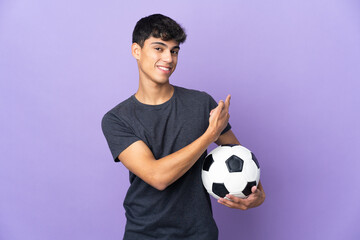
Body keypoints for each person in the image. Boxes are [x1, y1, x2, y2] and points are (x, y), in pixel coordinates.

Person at [101, 13, 265, 240]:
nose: (168, 58)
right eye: (159, 48)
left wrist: (258, 195)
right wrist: (209, 135)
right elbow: (157, 177)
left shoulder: (201, 103)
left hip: (199, 234)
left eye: (174, 51)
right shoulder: (117, 119)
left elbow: (240, 158)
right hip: (144, 234)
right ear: (136, 51)